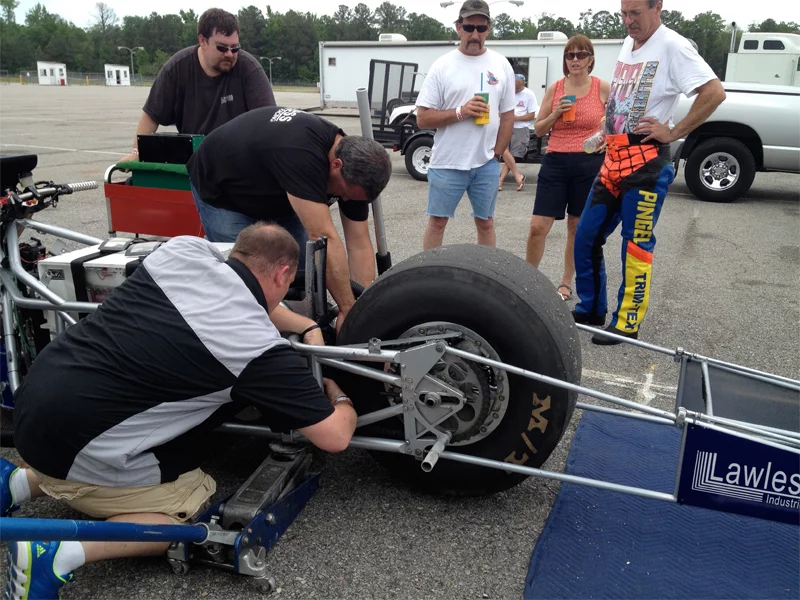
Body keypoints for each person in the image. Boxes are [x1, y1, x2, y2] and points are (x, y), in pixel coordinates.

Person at [1, 223, 357, 600]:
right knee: (191, 502)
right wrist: (341, 397)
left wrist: (306, 325)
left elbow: (246, 295)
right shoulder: (256, 349)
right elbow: (335, 437)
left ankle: (14, 483)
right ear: (284, 274)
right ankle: (58, 554)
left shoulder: (182, 252)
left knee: (101, 418)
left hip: (34, 402)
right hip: (76, 447)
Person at [572, 0, 725, 344]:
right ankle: (591, 308)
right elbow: (625, 100)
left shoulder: (673, 45)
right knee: (586, 236)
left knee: (636, 243)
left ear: (658, 7)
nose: (628, 21)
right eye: (623, 13)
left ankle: (627, 323)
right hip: (613, 156)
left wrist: (674, 131)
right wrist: (607, 129)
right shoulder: (630, 43)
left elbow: (714, 92)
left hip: (647, 163)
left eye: (635, 13)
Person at [187, 106, 392, 333]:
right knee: (251, 281)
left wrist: (360, 313)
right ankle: (251, 337)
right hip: (225, 190)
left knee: (301, 274)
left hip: (276, 189)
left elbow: (359, 245)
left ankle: (297, 331)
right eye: (344, 193)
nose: (344, 200)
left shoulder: (357, 173)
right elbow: (324, 237)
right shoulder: (303, 155)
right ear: (336, 165)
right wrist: (346, 308)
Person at [415, 0, 516, 250]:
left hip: (486, 164)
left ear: (488, 29)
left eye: (481, 28)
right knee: (438, 223)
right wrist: (461, 112)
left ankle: (486, 271)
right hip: (447, 162)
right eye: (469, 27)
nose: (475, 35)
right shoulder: (443, 65)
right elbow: (423, 118)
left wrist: (497, 156)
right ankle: (430, 271)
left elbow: (508, 115)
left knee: (486, 224)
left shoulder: (501, 64)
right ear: (458, 27)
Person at [119, 8, 275, 163]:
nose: (229, 54)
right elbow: (152, 115)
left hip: (240, 160)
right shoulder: (177, 68)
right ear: (202, 41)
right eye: (222, 47)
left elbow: (268, 122)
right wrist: (137, 152)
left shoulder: (249, 69)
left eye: (235, 48)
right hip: (194, 160)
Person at [527, 35, 610, 302]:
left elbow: (616, 122)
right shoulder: (556, 88)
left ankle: (565, 283)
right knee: (538, 226)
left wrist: (606, 138)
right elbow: (539, 129)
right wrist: (555, 114)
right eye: (570, 55)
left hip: (588, 163)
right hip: (556, 161)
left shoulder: (602, 88)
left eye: (581, 54)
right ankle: (528, 280)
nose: (575, 60)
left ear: (590, 60)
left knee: (575, 226)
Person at [497, 74, 538, 192]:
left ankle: (500, 181)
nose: (515, 88)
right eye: (513, 85)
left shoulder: (529, 94)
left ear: (524, 84)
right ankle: (517, 176)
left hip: (520, 128)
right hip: (504, 126)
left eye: (518, 86)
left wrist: (516, 118)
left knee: (513, 154)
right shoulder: (506, 92)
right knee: (503, 150)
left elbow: (531, 115)